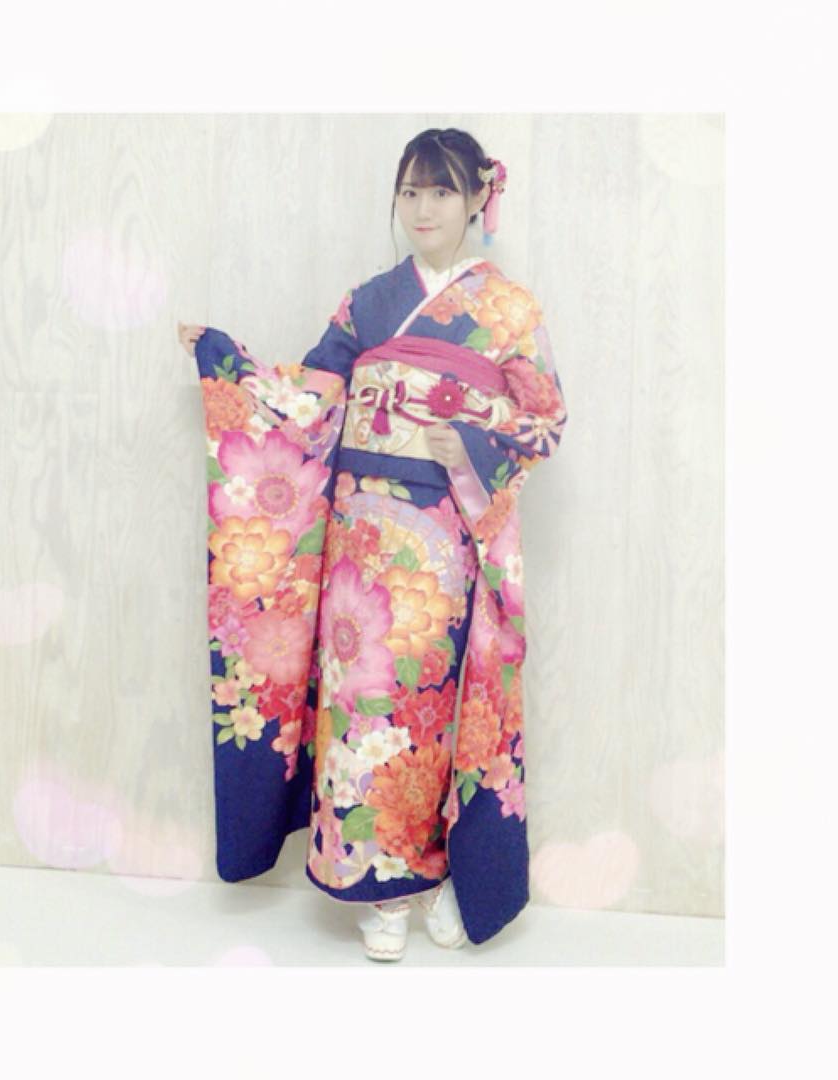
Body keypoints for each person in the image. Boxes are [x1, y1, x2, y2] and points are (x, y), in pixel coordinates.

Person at [178, 128, 567, 961]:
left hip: (440, 540)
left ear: (478, 199)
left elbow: (545, 421)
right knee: (363, 709)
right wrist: (227, 366)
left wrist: (469, 434)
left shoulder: (509, 310)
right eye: (411, 191)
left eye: (442, 191)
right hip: (358, 543)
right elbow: (311, 400)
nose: (424, 209)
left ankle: (444, 874)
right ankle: (379, 887)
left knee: (428, 710)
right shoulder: (366, 303)